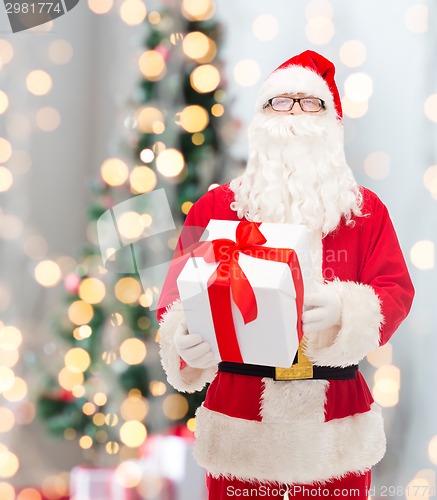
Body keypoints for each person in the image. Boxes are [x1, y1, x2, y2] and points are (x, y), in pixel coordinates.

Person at [156, 50, 414, 499]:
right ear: (260, 117)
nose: (295, 113)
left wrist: (344, 311)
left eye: (310, 103)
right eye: (281, 101)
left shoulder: (365, 212)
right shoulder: (214, 208)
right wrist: (183, 340)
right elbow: (174, 302)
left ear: (332, 122)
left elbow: (395, 291)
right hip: (240, 425)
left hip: (333, 428)